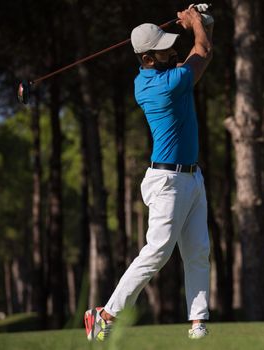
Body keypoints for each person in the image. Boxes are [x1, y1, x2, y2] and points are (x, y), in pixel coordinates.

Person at [84, 4, 213, 341]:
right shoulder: (163, 86)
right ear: (149, 59)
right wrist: (197, 24)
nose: (173, 49)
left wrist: (201, 25)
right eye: (165, 48)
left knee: (198, 250)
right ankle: (105, 313)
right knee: (157, 252)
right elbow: (202, 52)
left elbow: (199, 56)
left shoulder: (162, 78)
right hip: (167, 181)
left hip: (191, 177)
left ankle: (198, 323)